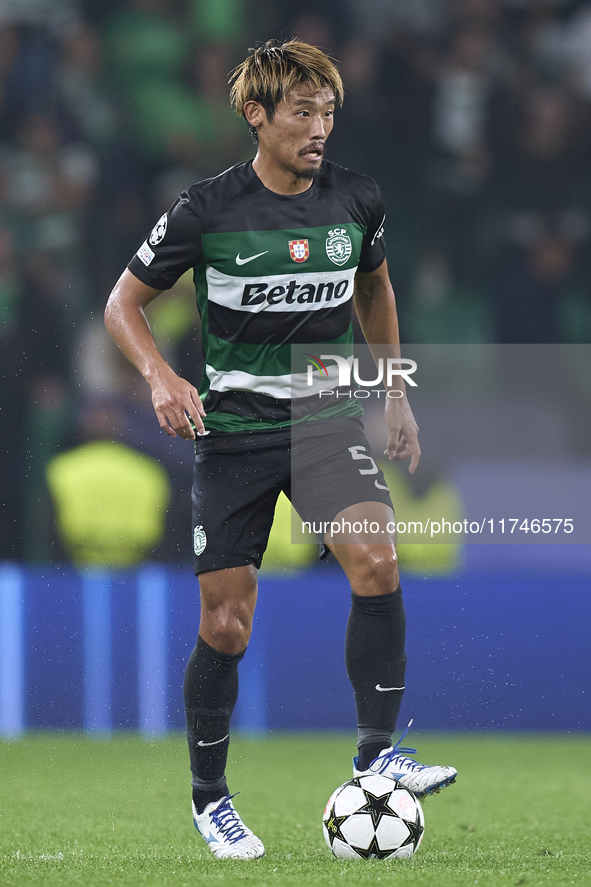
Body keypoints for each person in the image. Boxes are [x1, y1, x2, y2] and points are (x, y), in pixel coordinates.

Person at [104, 39, 457, 861]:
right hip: (231, 435)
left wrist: (395, 392)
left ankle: (378, 752)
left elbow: (375, 287)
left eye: (327, 111)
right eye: (301, 111)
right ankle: (210, 797)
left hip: (325, 423)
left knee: (376, 557)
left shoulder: (356, 200)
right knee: (226, 624)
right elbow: (123, 303)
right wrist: (160, 378)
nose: (318, 126)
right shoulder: (205, 210)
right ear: (255, 116)